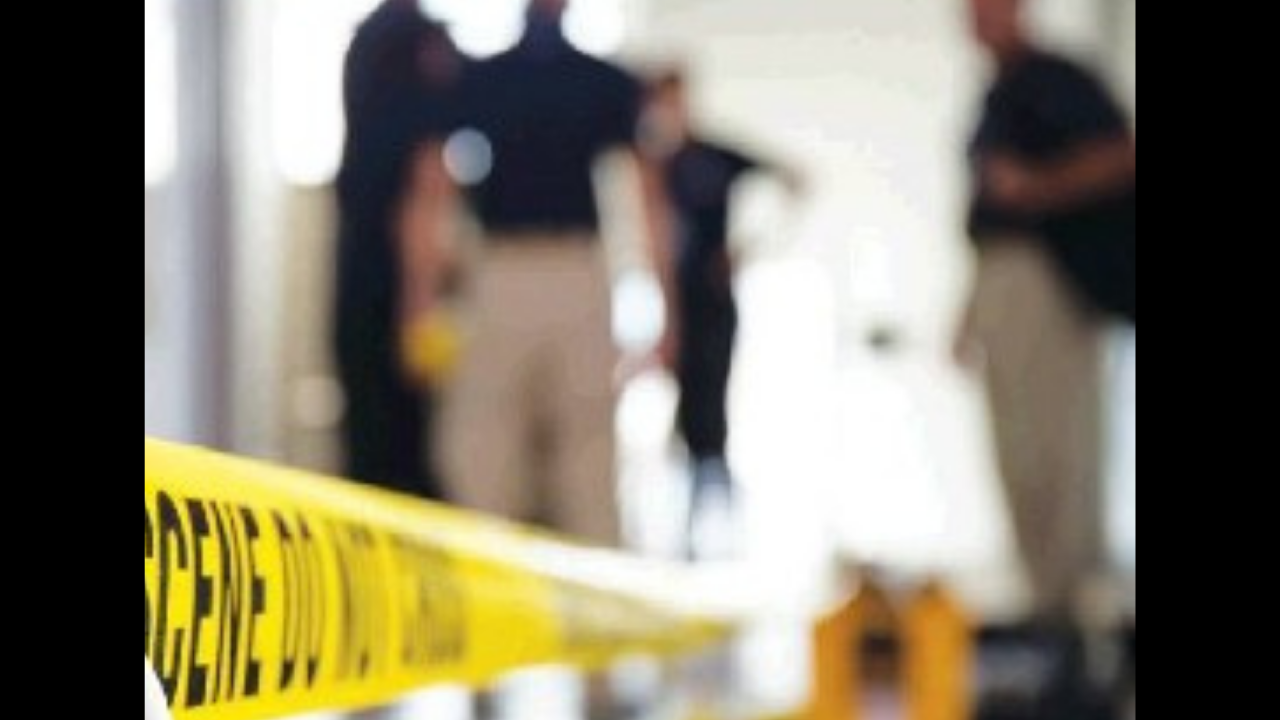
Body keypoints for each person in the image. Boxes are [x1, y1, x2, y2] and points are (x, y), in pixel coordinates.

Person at [398, 1, 675, 716]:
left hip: (578, 273)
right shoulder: (478, 78)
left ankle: (599, 675)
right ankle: (484, 668)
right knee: (484, 467)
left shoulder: (606, 82)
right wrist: (421, 300)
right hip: (499, 274)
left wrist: (665, 310)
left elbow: (646, 195)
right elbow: (433, 183)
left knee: (590, 476)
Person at [957, 0, 1137, 623]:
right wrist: (966, 313)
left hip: (1047, 279)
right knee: (1016, 449)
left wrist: (1039, 187)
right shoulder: (995, 96)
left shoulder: (1057, 79)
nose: (977, 20)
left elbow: (1121, 154)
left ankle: (1075, 602)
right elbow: (983, 219)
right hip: (999, 278)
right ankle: (1044, 600)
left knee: (1060, 445)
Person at [646, 69, 803, 560]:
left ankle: (720, 526)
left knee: (711, 407)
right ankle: (688, 527)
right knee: (684, 412)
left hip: (714, 302)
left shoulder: (715, 157)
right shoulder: (655, 164)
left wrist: (750, 249)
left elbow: (796, 180)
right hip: (675, 305)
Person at [334, 0, 462, 501]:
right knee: (387, 443)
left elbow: (427, 178)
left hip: (389, 273)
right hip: (377, 268)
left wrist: (419, 297)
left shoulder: (400, 40)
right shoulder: (387, 38)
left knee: (393, 447)